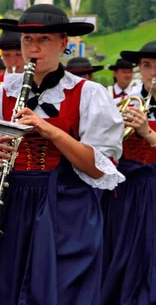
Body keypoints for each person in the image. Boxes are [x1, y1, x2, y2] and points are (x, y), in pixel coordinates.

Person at [0, 4, 124, 305]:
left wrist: (51, 131)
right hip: (13, 206)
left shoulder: (88, 94)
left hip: (69, 206)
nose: (33, 49)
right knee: (12, 288)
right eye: (27, 40)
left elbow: (99, 169)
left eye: (44, 41)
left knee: (68, 291)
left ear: (63, 44)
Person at [100, 40, 156, 305]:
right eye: (146, 66)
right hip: (125, 190)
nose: (152, 72)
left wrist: (147, 133)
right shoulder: (123, 103)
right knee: (121, 251)